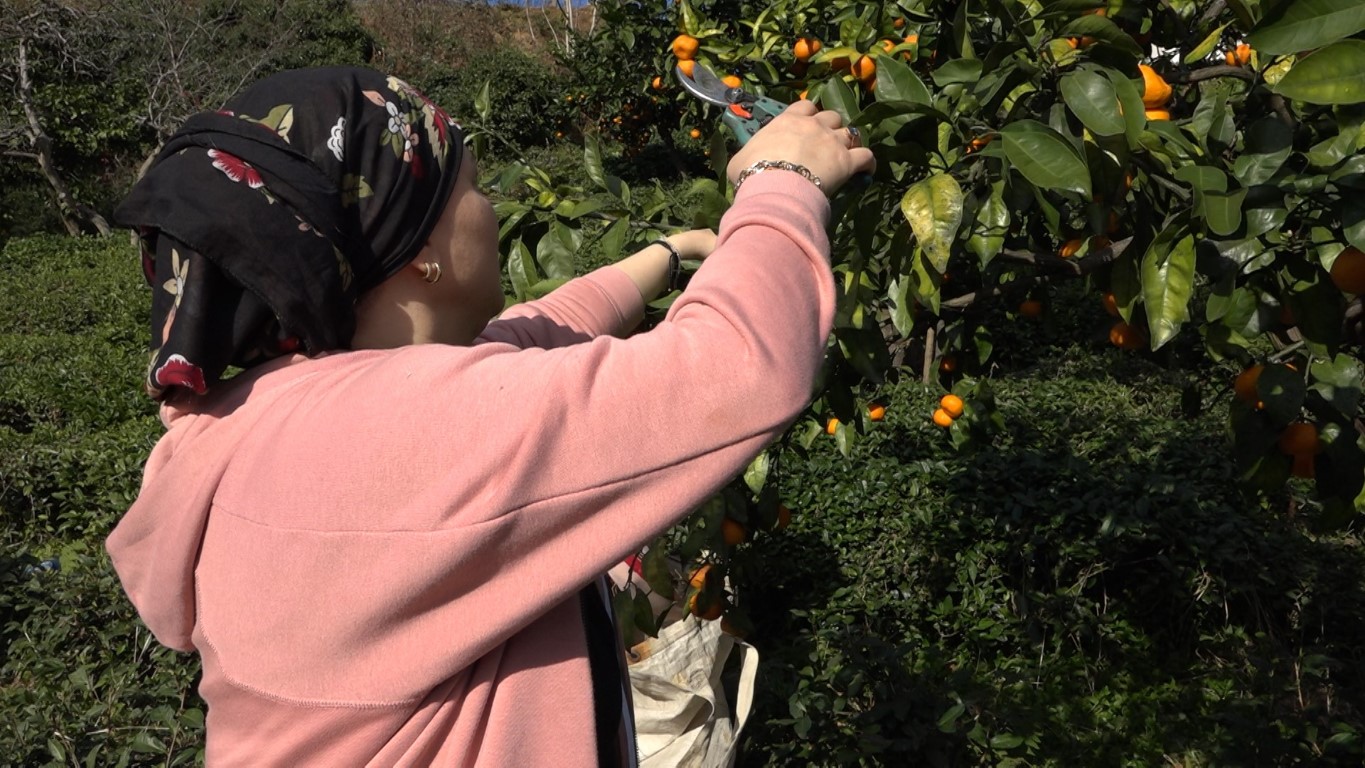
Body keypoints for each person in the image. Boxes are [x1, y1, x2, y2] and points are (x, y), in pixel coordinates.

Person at [106, 65, 874, 766]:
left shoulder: (264, 416)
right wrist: (782, 180)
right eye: (471, 187)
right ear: (420, 249)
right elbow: (737, 365)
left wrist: (667, 254)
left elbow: (525, 334)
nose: (491, 207)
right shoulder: (408, 435)